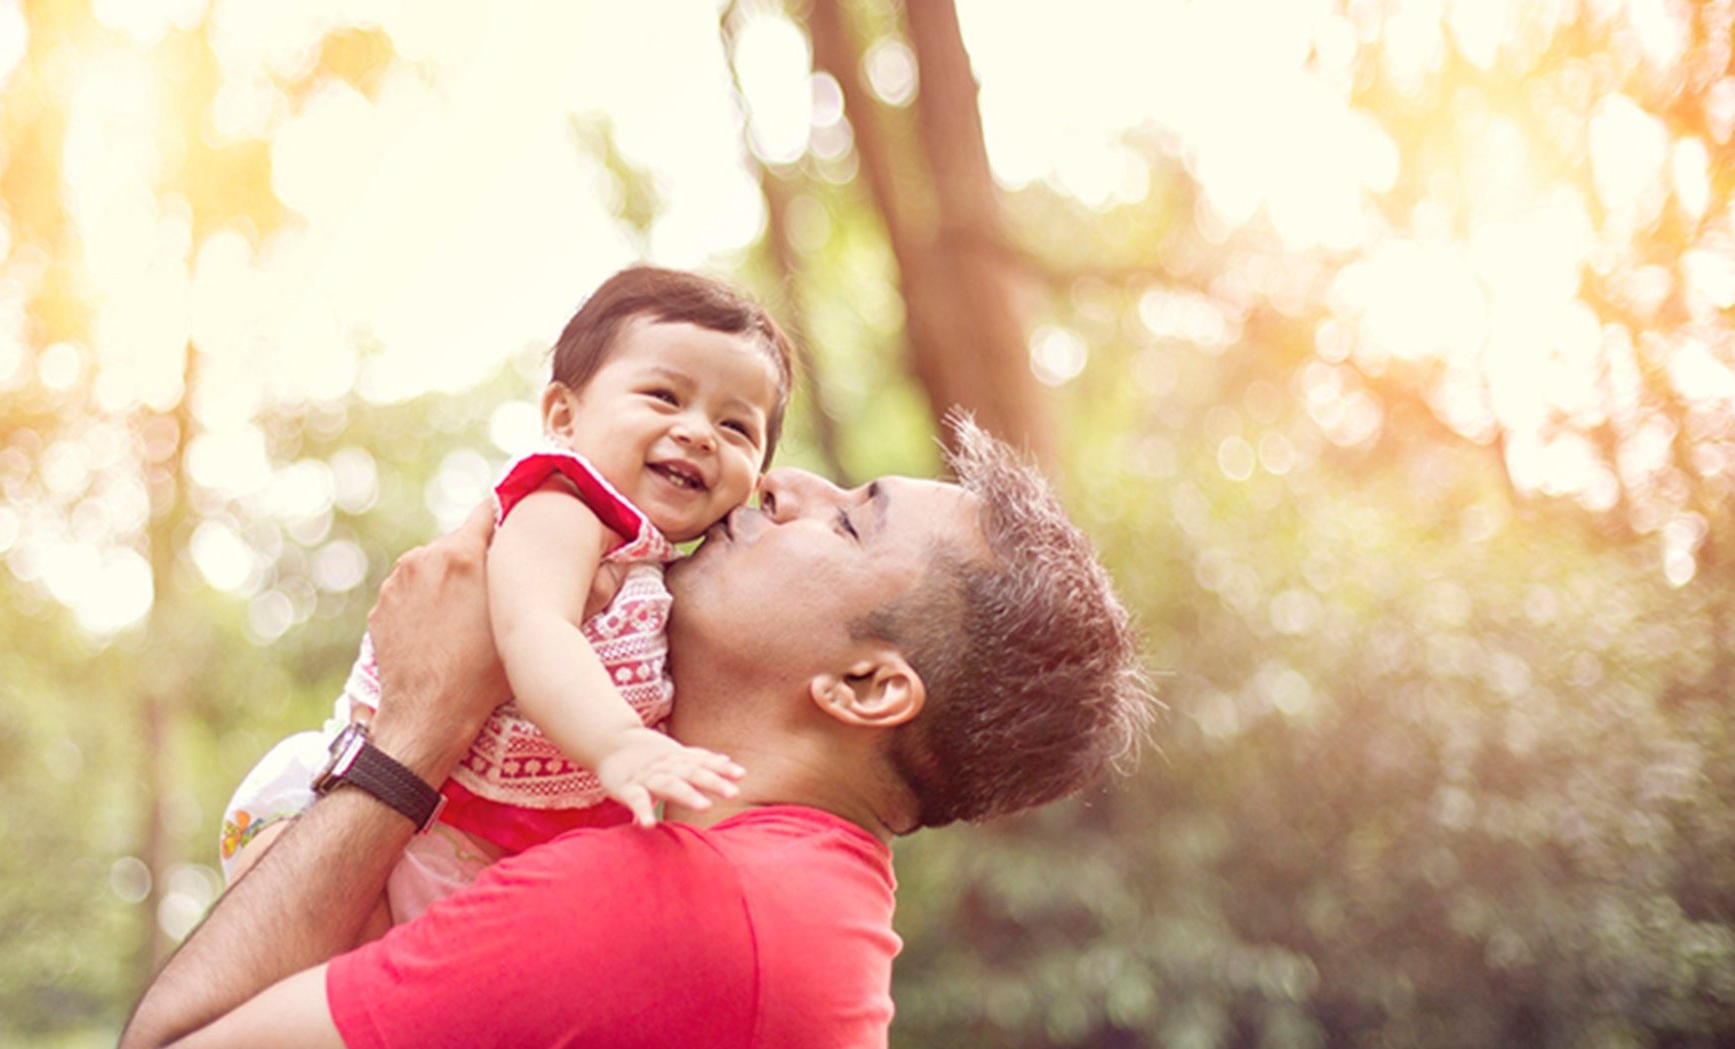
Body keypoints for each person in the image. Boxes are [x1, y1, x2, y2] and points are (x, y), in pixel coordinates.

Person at [120, 413, 1155, 1049]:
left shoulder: (688, 906)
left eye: (846, 519)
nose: (780, 481)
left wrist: (417, 729)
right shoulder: (790, 896)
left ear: (865, 685)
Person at [217, 266, 796, 931]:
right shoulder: (565, 507)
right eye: (664, 397)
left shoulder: (669, 576)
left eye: (736, 426)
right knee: (321, 945)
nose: (698, 433)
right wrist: (619, 744)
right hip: (391, 819)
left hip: (487, 855)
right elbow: (536, 627)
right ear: (564, 417)